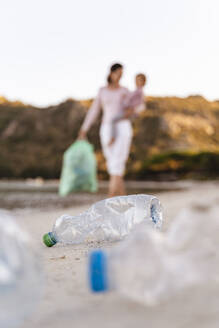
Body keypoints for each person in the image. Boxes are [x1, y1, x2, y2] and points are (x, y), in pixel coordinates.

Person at [78, 63, 146, 197]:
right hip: (106, 129)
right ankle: (124, 201)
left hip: (122, 127)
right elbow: (94, 110)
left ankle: (110, 200)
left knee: (117, 163)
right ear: (111, 73)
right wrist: (84, 128)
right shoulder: (102, 91)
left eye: (122, 74)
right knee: (113, 165)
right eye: (118, 73)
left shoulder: (125, 91)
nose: (120, 77)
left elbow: (140, 106)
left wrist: (133, 111)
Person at [108, 73, 146, 146]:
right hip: (129, 111)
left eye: (139, 80)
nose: (137, 82)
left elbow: (139, 104)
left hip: (130, 112)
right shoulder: (136, 91)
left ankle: (113, 137)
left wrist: (131, 110)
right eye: (136, 80)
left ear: (143, 82)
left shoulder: (139, 92)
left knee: (113, 120)